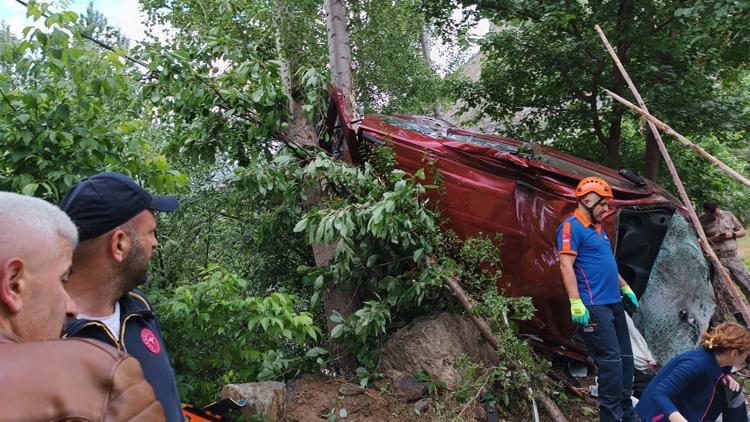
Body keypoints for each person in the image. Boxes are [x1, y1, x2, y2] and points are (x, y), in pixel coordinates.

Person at [0, 191, 164, 421]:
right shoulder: (105, 376)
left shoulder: (141, 308)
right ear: (14, 284)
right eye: (63, 279)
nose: (71, 308)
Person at [59, 172, 184, 422]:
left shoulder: (139, 309)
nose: (155, 243)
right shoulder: (45, 336)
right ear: (119, 244)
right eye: (151, 232)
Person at [556, 176, 640, 422]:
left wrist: (625, 288)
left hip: (613, 301)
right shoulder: (571, 227)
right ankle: (611, 417)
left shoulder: (598, 229)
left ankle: (628, 414)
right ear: (588, 200)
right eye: (603, 204)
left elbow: (606, 265)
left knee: (626, 360)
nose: (606, 209)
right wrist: (575, 301)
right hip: (593, 305)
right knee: (611, 364)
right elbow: (565, 265)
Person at [635, 322, 750, 422]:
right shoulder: (696, 363)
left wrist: (725, 375)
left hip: (688, 408)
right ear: (734, 353)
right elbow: (659, 394)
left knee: (733, 391)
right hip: (655, 415)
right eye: (746, 355)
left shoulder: (716, 359)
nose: (746, 358)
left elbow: (720, 369)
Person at [700, 201, 750, 324]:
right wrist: (714, 239)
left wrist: (731, 234)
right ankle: (742, 320)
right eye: (713, 216)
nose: (716, 217)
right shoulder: (701, 221)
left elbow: (742, 232)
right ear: (706, 213)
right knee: (727, 290)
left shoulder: (728, 215)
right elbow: (699, 241)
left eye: (717, 214)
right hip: (718, 260)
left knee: (746, 283)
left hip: (734, 258)